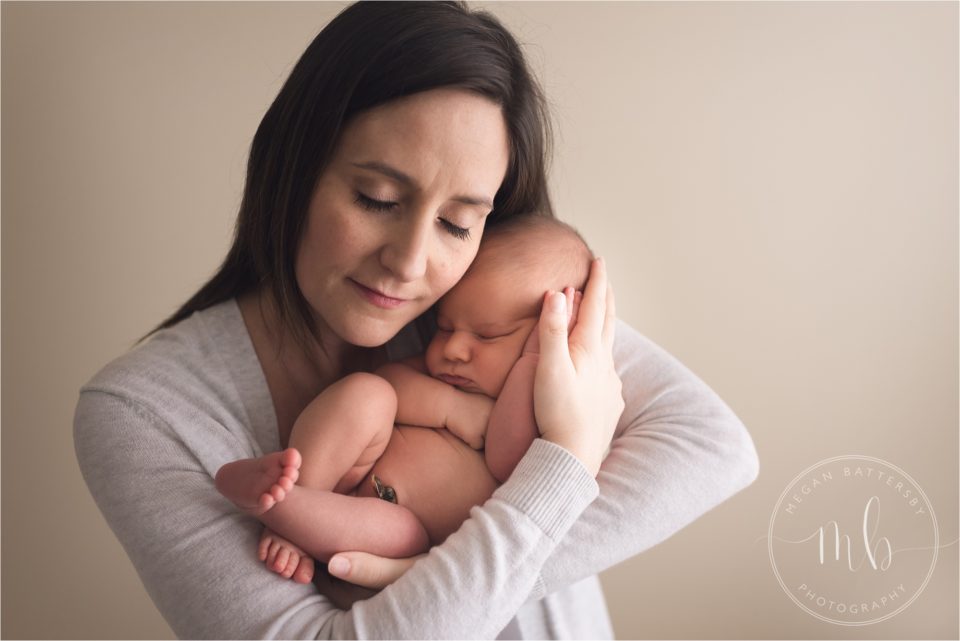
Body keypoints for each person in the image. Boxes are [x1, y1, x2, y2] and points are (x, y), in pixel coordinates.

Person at [74, 2, 759, 638]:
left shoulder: (484, 306)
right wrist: (566, 464)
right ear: (295, 168)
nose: (410, 263)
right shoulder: (145, 413)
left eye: (458, 222)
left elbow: (712, 446)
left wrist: (421, 573)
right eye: (376, 198)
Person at [215, 216, 593, 584]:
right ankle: (293, 489)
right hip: (346, 473)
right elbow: (391, 384)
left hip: (390, 535)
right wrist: (451, 408)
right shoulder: (443, 379)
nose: (455, 348)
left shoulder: (544, 404)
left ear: (552, 333)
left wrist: (534, 360)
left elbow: (507, 458)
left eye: (489, 336)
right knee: (368, 393)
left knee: (405, 534)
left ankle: (278, 508)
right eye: (445, 327)